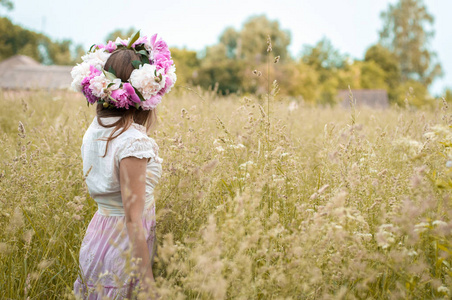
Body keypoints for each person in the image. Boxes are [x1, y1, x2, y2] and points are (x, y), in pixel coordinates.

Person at [70, 32, 176, 299]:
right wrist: (149, 284)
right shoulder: (132, 143)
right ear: (146, 93)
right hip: (124, 245)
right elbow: (132, 218)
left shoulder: (96, 130)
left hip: (100, 232)